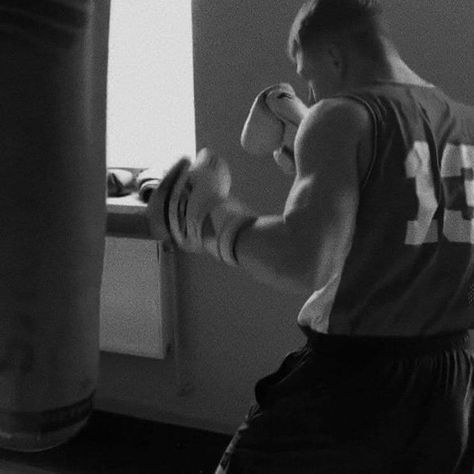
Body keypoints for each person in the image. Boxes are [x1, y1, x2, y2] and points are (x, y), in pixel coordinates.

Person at [147, 0, 474, 472]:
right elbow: (403, 216)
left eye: (309, 76)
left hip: (353, 379)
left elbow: (305, 259)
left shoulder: (342, 115)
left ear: (334, 56)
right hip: (450, 382)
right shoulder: (466, 122)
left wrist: (213, 222)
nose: (310, 93)